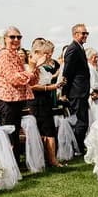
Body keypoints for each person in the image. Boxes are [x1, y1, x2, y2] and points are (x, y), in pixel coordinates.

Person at [0, 26, 41, 164]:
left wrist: (34, 67)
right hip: (6, 100)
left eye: (19, 37)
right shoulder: (4, 55)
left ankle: (14, 166)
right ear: (5, 39)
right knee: (9, 135)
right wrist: (31, 70)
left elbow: (30, 80)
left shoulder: (15, 55)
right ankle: (8, 166)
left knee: (14, 134)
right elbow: (14, 79)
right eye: (12, 37)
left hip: (17, 100)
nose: (16, 40)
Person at [30, 38, 64, 167]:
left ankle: (50, 158)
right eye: (46, 53)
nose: (48, 56)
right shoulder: (32, 66)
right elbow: (32, 85)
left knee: (48, 129)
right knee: (46, 129)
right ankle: (51, 160)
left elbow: (46, 79)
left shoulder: (42, 67)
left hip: (45, 99)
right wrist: (51, 87)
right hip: (37, 100)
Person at [62, 23, 91, 154]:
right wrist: (64, 92)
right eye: (83, 33)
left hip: (82, 91)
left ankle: (79, 146)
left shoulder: (80, 48)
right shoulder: (73, 49)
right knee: (80, 121)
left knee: (83, 121)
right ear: (75, 34)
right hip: (76, 91)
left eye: (87, 33)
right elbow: (67, 72)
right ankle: (77, 148)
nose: (86, 36)